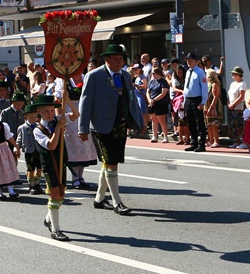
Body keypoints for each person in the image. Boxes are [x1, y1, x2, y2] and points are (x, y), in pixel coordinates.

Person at [78, 43, 143, 214]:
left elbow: (131, 100)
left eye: (121, 59)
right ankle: (117, 201)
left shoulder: (125, 76)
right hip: (101, 126)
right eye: (116, 59)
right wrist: (82, 128)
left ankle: (99, 198)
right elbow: (85, 103)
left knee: (109, 163)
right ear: (106, 59)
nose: (119, 62)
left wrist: (139, 122)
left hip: (120, 125)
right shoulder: (94, 76)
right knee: (111, 163)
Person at [33, 93, 71, 241]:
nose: (49, 114)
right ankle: (55, 230)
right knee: (55, 195)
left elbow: (76, 114)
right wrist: (59, 128)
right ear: (39, 112)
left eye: (51, 110)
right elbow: (51, 145)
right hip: (49, 165)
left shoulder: (57, 120)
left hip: (61, 161)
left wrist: (67, 101)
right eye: (46, 111)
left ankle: (48, 219)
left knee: (60, 196)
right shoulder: (38, 130)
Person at [62, 85, 97, 189]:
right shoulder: (65, 81)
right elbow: (59, 103)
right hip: (70, 113)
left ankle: (80, 177)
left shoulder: (85, 78)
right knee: (74, 149)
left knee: (84, 149)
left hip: (83, 112)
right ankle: (74, 178)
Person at [182, 53, 208, 152]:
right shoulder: (188, 72)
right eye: (187, 60)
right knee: (191, 122)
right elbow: (186, 87)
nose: (188, 62)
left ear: (195, 61)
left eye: (190, 60)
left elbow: (204, 88)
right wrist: (185, 100)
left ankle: (201, 144)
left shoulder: (200, 72)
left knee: (199, 122)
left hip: (197, 99)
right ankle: (194, 143)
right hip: (188, 99)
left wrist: (203, 102)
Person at [17, 105, 44, 194]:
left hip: (38, 151)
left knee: (40, 169)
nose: (33, 119)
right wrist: (17, 148)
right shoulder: (22, 127)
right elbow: (19, 139)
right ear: (26, 116)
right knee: (30, 169)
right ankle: (31, 185)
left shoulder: (39, 126)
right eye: (31, 117)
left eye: (35, 117)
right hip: (29, 151)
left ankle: (37, 184)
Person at [146, 66, 172, 143]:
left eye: (154, 73)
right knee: (153, 120)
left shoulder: (163, 81)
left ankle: (165, 136)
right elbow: (148, 91)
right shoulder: (152, 81)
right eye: (152, 74)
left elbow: (163, 93)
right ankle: (154, 136)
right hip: (152, 103)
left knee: (161, 120)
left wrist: (154, 99)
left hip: (160, 103)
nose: (153, 75)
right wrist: (150, 99)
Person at [227, 67, 246, 148]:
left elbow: (241, 96)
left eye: (234, 74)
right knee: (233, 125)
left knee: (240, 125)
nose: (233, 75)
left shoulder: (242, 83)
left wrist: (234, 104)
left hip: (238, 107)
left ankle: (244, 142)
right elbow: (229, 95)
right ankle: (236, 141)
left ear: (239, 75)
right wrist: (229, 104)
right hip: (232, 107)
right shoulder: (232, 84)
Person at [204, 68, 224, 148]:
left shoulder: (215, 84)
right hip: (207, 104)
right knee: (209, 124)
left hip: (214, 106)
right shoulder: (207, 84)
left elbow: (215, 97)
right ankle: (210, 140)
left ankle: (216, 141)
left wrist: (211, 107)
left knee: (214, 124)